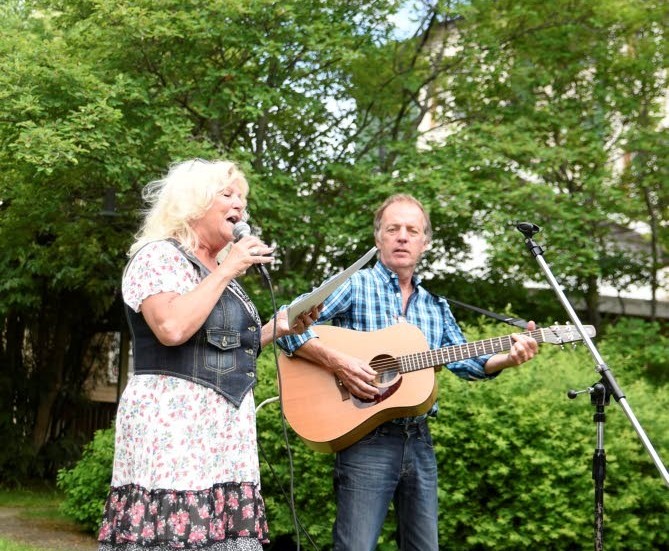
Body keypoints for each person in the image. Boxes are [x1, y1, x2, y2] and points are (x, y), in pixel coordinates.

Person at [278, 193, 539, 551]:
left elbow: (466, 362)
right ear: (378, 238)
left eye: (412, 230)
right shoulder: (357, 285)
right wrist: (337, 362)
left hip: (419, 441)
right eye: (393, 228)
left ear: (425, 242)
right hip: (364, 440)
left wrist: (509, 358)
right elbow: (287, 322)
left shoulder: (436, 306)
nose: (402, 236)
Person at [97, 158, 319, 551]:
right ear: (193, 202)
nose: (240, 207)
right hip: (174, 425)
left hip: (223, 431)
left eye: (243, 200)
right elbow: (171, 328)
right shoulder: (158, 256)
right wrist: (227, 270)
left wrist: (280, 327)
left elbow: (222, 347)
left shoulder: (220, 270)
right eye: (228, 194)